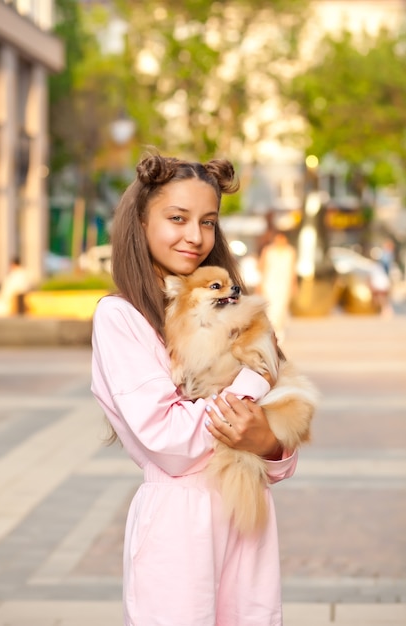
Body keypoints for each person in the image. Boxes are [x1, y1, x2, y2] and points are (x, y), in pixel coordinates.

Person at [91, 152, 298, 626]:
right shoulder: (122, 317)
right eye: (177, 218)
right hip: (178, 523)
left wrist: (267, 443)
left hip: (246, 512)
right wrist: (253, 378)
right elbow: (169, 444)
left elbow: (278, 439)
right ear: (141, 221)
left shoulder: (230, 304)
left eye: (208, 222)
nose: (194, 236)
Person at [258, 230, 297, 343]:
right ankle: (271, 330)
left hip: (285, 283)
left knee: (281, 307)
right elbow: (262, 267)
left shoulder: (290, 251)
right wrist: (260, 283)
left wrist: (294, 285)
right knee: (271, 307)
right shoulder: (268, 251)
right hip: (270, 282)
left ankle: (279, 330)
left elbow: (292, 269)